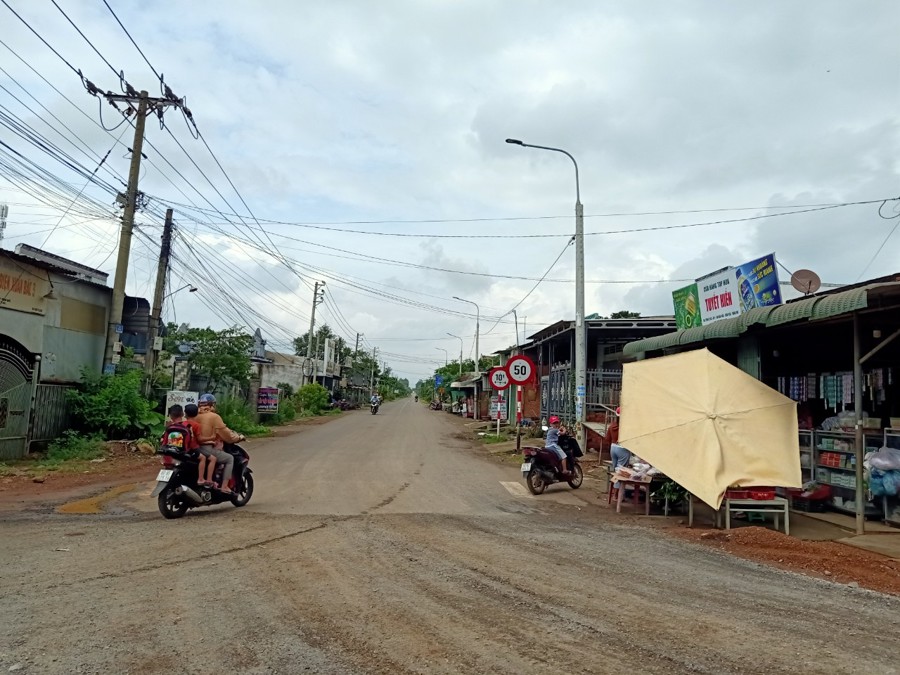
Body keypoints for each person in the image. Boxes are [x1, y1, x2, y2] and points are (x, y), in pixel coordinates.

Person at [196, 393, 245, 495]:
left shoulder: (194, 415)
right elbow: (226, 434)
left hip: (195, 448)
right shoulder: (214, 417)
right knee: (229, 458)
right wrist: (238, 438)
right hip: (207, 448)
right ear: (212, 405)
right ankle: (224, 486)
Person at [183, 403, 211, 487]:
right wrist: (211, 438)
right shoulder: (196, 425)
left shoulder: (183, 423)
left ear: (185, 413)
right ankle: (202, 478)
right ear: (196, 414)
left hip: (184, 447)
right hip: (193, 448)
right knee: (205, 458)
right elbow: (199, 439)